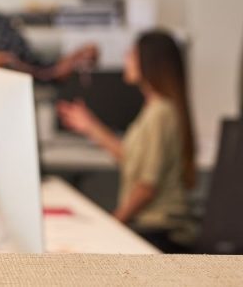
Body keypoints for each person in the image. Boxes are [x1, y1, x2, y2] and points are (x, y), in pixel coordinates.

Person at [58, 30, 197, 253]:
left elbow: (146, 188)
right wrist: (91, 127)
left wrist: (113, 223)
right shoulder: (155, 109)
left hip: (159, 227)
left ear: (149, 62)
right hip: (152, 225)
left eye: (131, 54)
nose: (125, 59)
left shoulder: (160, 113)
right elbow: (131, 159)